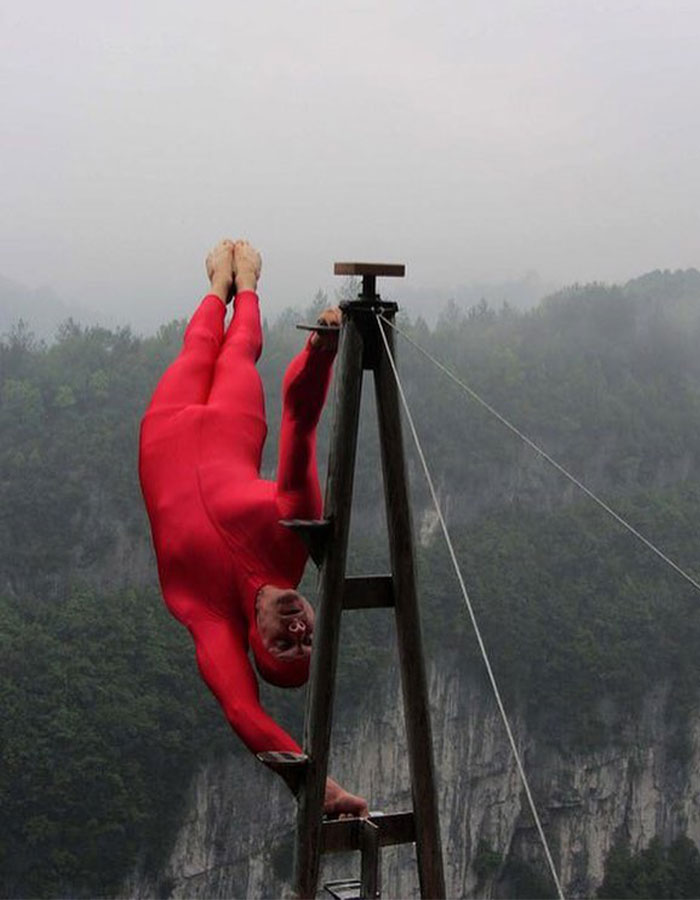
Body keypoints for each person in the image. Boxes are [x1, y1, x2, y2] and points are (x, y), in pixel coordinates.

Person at [139, 239, 368, 818]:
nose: (295, 627)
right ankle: (246, 286)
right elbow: (300, 423)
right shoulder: (293, 537)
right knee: (238, 352)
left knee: (197, 349)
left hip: (164, 437)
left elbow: (244, 713)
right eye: (306, 638)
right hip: (230, 431)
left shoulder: (211, 618)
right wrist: (321, 352)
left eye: (280, 644)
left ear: (252, 641)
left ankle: (218, 284)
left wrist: (312, 785)